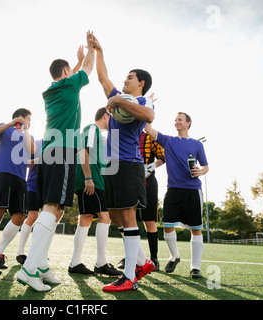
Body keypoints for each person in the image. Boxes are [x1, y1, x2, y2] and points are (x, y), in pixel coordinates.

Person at [16, 31, 96, 291]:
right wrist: (91, 49)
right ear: (65, 72)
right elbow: (87, 69)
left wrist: (74, 63)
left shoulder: (53, 89)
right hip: (62, 150)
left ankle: (40, 265)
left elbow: (71, 75)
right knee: (51, 208)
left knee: (57, 210)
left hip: (52, 151)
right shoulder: (70, 84)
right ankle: (29, 269)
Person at [91, 34, 156, 292]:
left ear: (141, 83)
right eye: (125, 77)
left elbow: (149, 115)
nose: (125, 79)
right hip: (111, 165)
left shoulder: (142, 100)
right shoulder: (119, 96)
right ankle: (142, 262)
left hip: (129, 164)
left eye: (130, 77)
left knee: (128, 216)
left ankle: (129, 278)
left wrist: (117, 100)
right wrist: (99, 50)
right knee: (115, 214)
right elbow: (103, 78)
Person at [144, 112, 209, 279]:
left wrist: (201, 171)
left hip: (193, 190)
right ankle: (174, 256)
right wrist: (146, 107)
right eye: (175, 120)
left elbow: (206, 166)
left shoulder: (197, 144)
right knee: (167, 225)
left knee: (196, 229)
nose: (176, 122)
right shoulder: (168, 141)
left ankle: (195, 267)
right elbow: (148, 128)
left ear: (188, 123)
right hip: (173, 189)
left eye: (180, 119)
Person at [0, 108, 36, 275]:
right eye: (28, 119)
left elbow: (31, 151)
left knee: (19, 217)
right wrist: (12, 123)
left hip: (20, 178)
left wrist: (26, 130)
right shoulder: (5, 128)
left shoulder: (28, 135)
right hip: (3, 173)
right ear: (19, 118)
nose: (30, 122)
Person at [68, 107, 122, 277]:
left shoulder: (99, 135)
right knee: (104, 217)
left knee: (86, 217)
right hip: (91, 181)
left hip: (95, 181)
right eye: (111, 118)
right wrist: (88, 178)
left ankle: (75, 262)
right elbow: (82, 150)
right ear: (106, 116)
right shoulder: (91, 128)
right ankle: (101, 263)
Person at [117, 131, 165, 271]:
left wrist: (151, 167)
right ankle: (131, 257)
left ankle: (154, 258)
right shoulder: (125, 135)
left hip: (148, 181)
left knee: (149, 220)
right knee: (129, 220)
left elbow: (163, 156)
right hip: (129, 180)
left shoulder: (150, 136)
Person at [16, 138, 43, 265]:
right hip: (33, 185)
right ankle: (20, 253)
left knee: (50, 217)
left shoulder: (59, 146)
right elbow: (24, 163)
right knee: (33, 216)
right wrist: (40, 160)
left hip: (49, 188)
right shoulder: (36, 144)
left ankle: (39, 254)